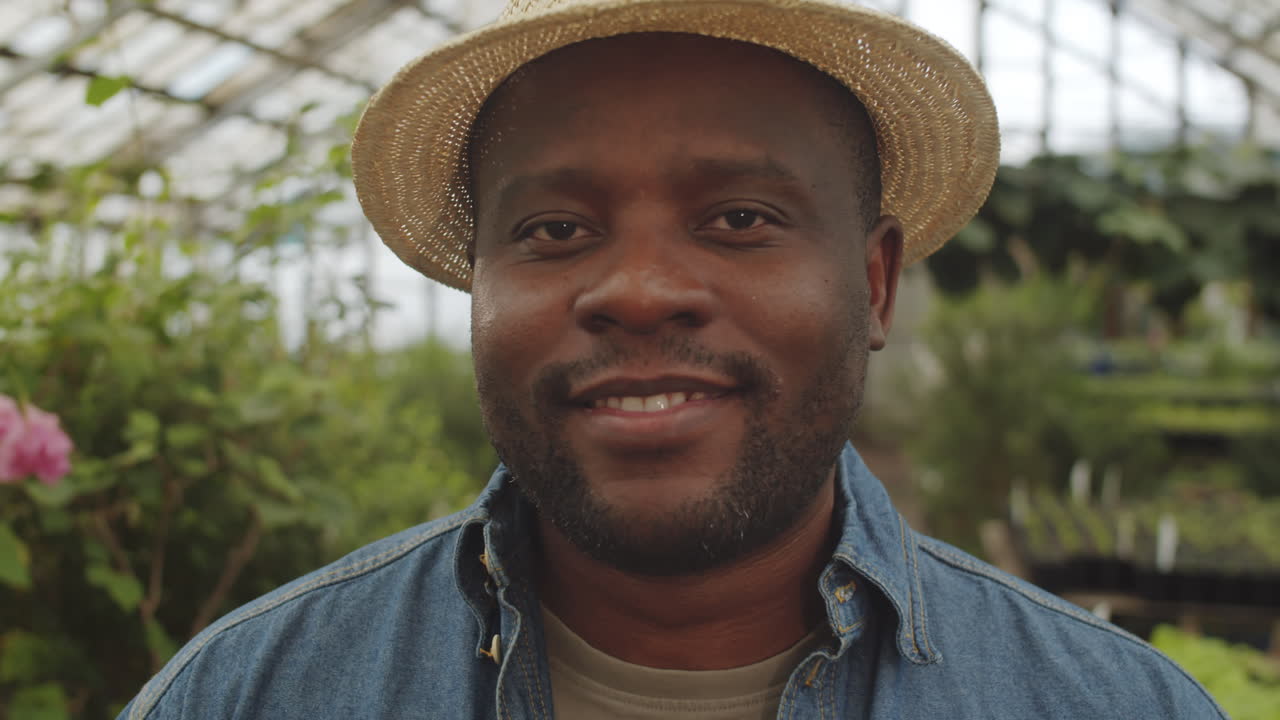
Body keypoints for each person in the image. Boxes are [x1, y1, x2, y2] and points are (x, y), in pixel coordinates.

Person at [121, 0, 1225, 717]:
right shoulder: (248, 694)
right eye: (553, 230)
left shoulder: (1110, 705)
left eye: (739, 217)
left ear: (874, 284)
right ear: (478, 288)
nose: (638, 289)